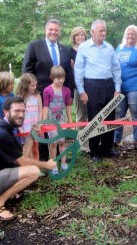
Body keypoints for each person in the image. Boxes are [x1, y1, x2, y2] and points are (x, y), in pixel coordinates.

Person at [0, 97, 57, 221]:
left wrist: (31, 136)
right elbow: (24, 162)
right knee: (34, 172)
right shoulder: (1, 133)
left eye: (23, 111)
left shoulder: (7, 129)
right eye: (17, 111)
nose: (21, 115)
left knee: (29, 170)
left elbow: (22, 158)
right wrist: (46, 165)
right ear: (6, 111)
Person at [23, 19, 74, 161]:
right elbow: (27, 70)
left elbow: (68, 73)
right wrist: (29, 91)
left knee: (58, 125)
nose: (53, 32)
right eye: (51, 29)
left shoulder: (65, 49)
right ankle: (43, 158)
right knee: (42, 125)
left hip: (59, 97)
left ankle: (59, 155)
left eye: (56, 30)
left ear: (59, 32)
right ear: (46, 30)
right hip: (39, 95)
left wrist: (69, 95)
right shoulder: (34, 46)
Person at [74, 20, 121, 162]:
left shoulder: (109, 48)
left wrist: (117, 88)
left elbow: (116, 69)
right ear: (92, 32)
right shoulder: (84, 47)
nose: (104, 33)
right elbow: (78, 70)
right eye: (101, 30)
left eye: (105, 30)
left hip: (109, 85)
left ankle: (107, 148)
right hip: (92, 86)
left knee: (110, 117)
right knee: (95, 118)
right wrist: (82, 91)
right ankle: (94, 151)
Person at [114, 25, 137, 150]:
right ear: (125, 35)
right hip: (120, 87)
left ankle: (136, 141)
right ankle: (117, 140)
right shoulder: (119, 48)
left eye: (133, 34)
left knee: (135, 114)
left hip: (134, 87)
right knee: (119, 113)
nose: (130, 36)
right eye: (128, 34)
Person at [42, 66, 72, 173]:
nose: (61, 80)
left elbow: (68, 107)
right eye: (58, 78)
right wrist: (43, 122)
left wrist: (70, 122)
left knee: (62, 142)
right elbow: (45, 107)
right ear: (52, 77)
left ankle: (63, 163)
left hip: (62, 121)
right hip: (51, 122)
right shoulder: (47, 90)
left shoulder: (67, 91)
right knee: (53, 143)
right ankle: (53, 165)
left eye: (62, 78)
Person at [16, 73, 43, 159]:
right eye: (32, 85)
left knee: (35, 147)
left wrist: (39, 124)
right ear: (25, 85)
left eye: (35, 85)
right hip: (25, 127)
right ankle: (27, 168)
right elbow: (17, 114)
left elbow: (40, 111)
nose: (35, 87)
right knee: (27, 149)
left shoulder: (37, 96)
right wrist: (20, 127)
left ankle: (36, 168)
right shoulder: (20, 97)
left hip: (35, 126)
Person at [69, 27, 88, 135]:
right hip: (78, 87)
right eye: (77, 35)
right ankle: (81, 142)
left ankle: (91, 140)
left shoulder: (90, 49)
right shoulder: (71, 52)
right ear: (74, 37)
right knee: (80, 115)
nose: (80, 37)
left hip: (91, 85)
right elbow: (72, 71)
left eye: (82, 35)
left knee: (91, 114)